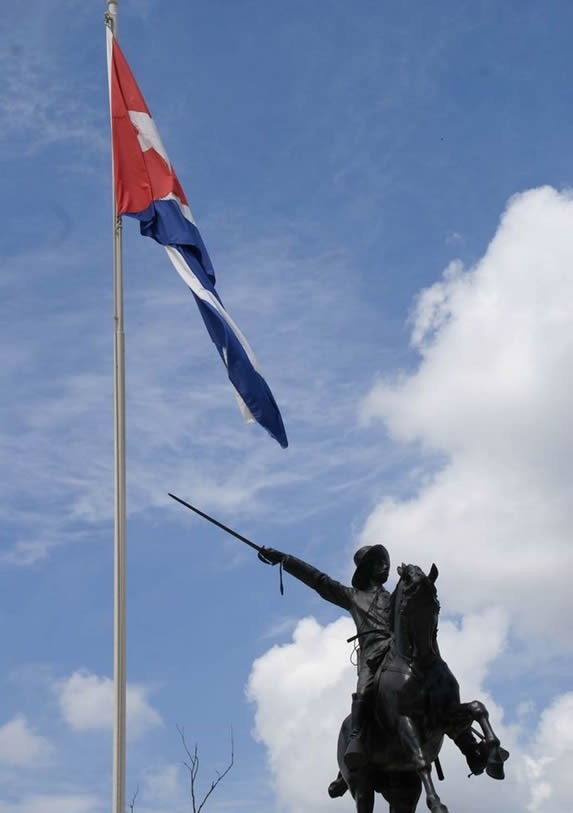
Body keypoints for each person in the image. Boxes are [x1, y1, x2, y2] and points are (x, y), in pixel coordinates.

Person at [261, 543, 392, 771]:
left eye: (385, 562)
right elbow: (318, 580)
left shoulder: (396, 596)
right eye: (379, 562)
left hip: (397, 651)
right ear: (367, 568)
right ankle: (355, 738)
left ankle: (464, 738)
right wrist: (284, 559)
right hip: (372, 658)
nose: (385, 566)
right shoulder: (352, 597)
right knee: (364, 688)